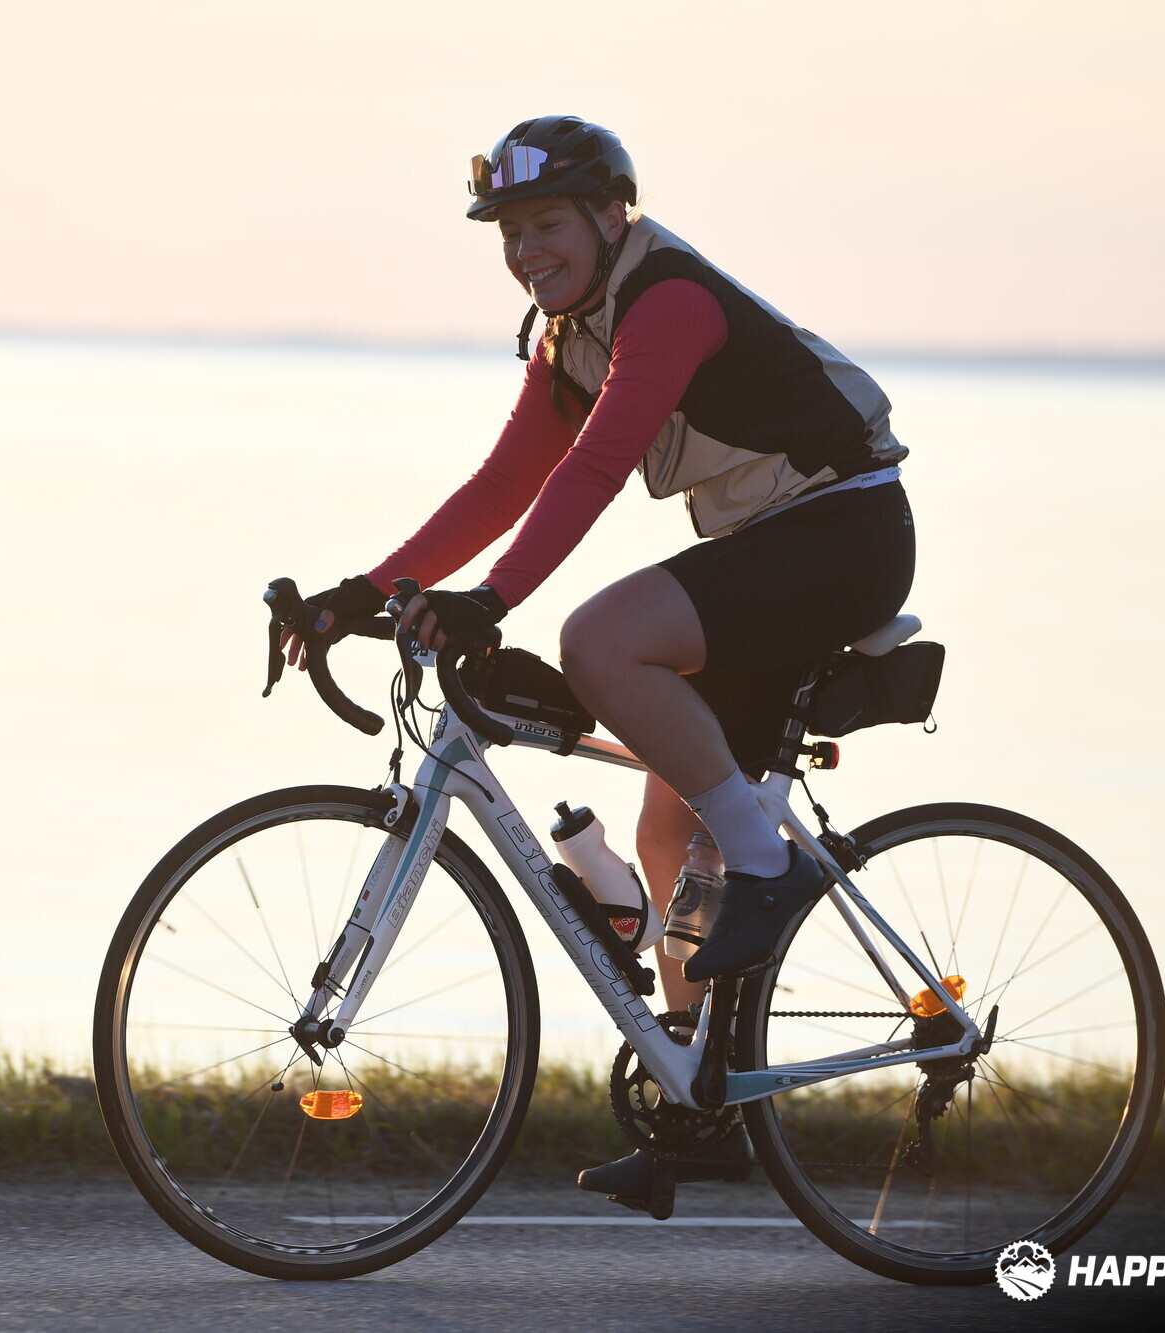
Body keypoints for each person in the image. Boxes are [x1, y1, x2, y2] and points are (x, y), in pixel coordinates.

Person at [290, 115, 914, 1206]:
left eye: (546, 224)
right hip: (772, 546)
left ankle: (768, 867)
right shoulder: (567, 333)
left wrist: (491, 600)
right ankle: (705, 1108)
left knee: (598, 640)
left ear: (610, 215)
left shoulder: (665, 303)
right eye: (509, 232)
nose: (526, 250)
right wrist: (366, 592)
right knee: (669, 828)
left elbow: (591, 470)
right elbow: (502, 485)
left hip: (844, 534)